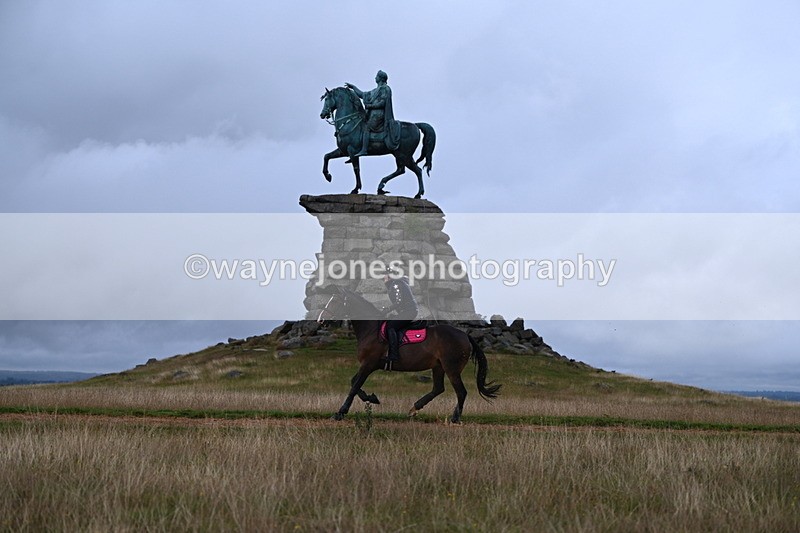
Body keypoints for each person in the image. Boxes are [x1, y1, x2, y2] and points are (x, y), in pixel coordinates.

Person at [344, 70, 401, 159]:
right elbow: (362, 94)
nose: (375, 77)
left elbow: (382, 103)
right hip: (372, 114)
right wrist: (353, 87)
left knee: (366, 127)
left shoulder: (385, 89)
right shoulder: (375, 90)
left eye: (376, 76)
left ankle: (364, 149)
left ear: (380, 78)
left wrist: (370, 106)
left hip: (379, 115)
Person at [383, 268, 418, 363]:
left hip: (409, 312)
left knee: (390, 327)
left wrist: (386, 310)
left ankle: (394, 355)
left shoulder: (396, 284)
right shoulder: (397, 283)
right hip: (407, 311)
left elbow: (399, 302)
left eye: (385, 275)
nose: (383, 277)